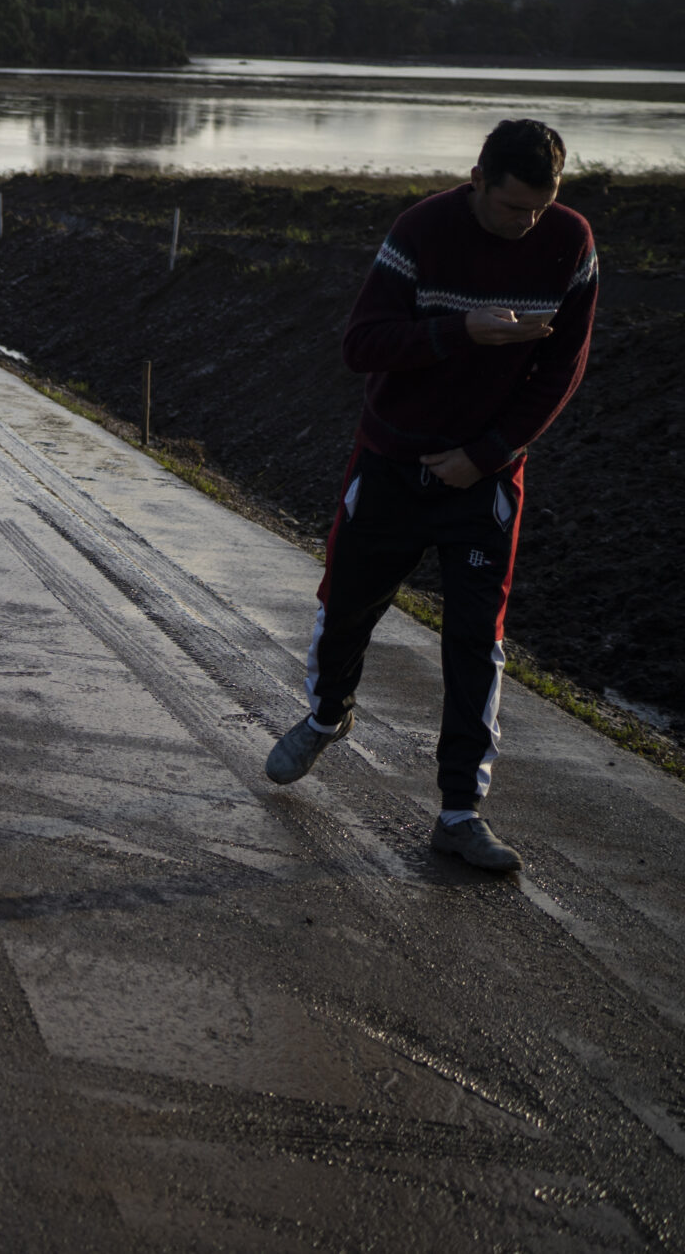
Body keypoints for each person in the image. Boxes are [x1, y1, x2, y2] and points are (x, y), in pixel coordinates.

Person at [264, 118, 597, 873]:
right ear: (477, 178)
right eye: (513, 208)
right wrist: (460, 332)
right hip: (390, 462)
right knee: (346, 605)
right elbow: (362, 344)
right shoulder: (420, 229)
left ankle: (458, 812)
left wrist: (483, 457)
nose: (526, 224)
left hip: (482, 479)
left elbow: (563, 370)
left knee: (477, 640)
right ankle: (326, 714)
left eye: (540, 209)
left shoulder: (570, 243)